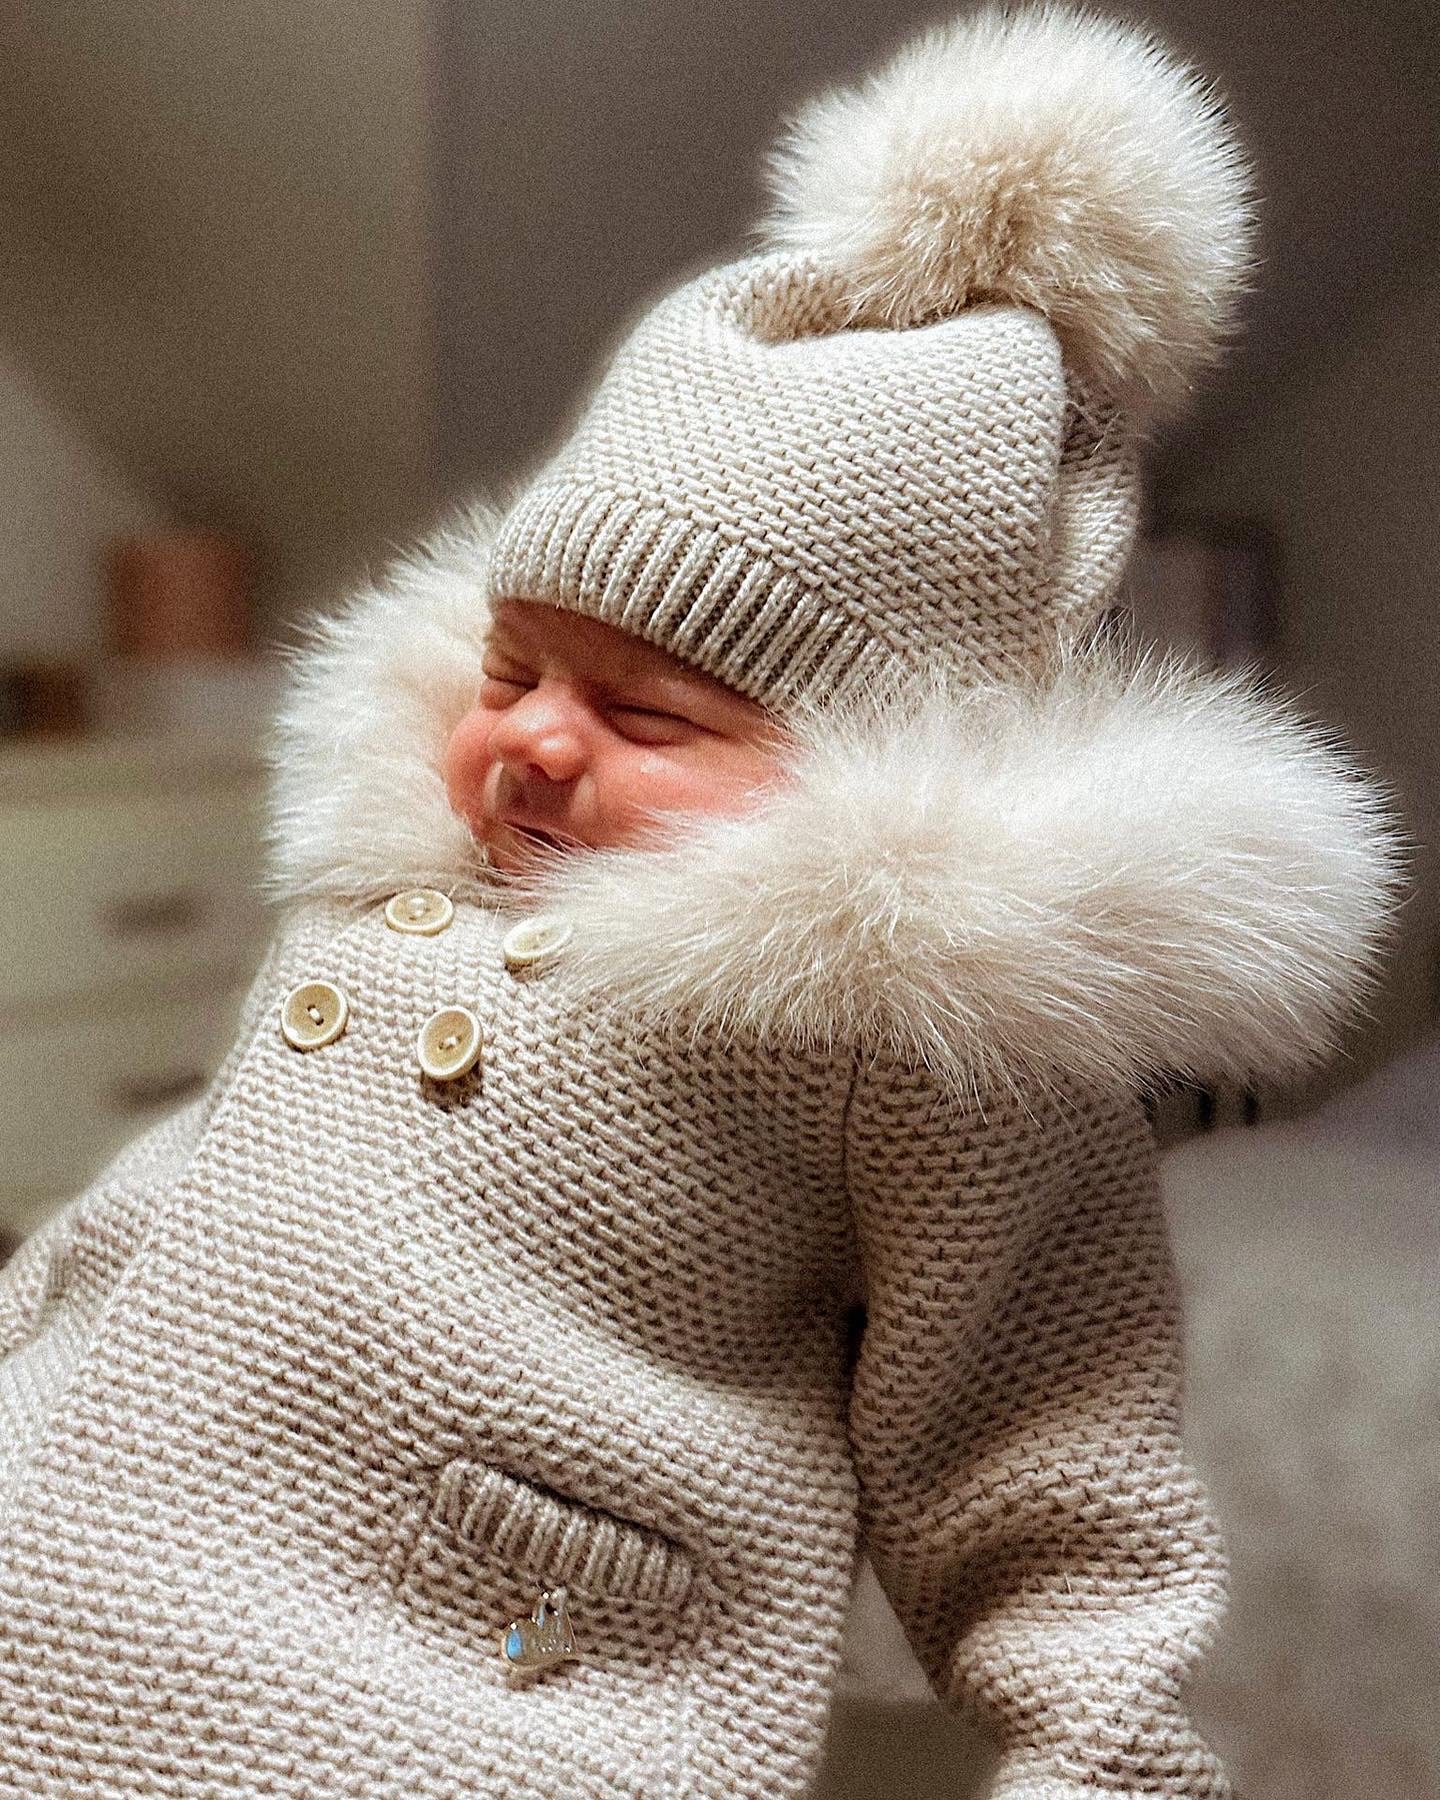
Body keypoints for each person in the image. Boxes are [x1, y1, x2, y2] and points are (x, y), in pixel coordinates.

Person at [0, 7, 1406, 1796]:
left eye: (648, 715)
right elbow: (189, 1192)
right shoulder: (403, 898)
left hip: (478, 1672)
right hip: (86, 1550)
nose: (534, 739)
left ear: (876, 768)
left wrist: (1101, 1751)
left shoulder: (906, 1046)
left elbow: (1049, 1456)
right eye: (512, 670)